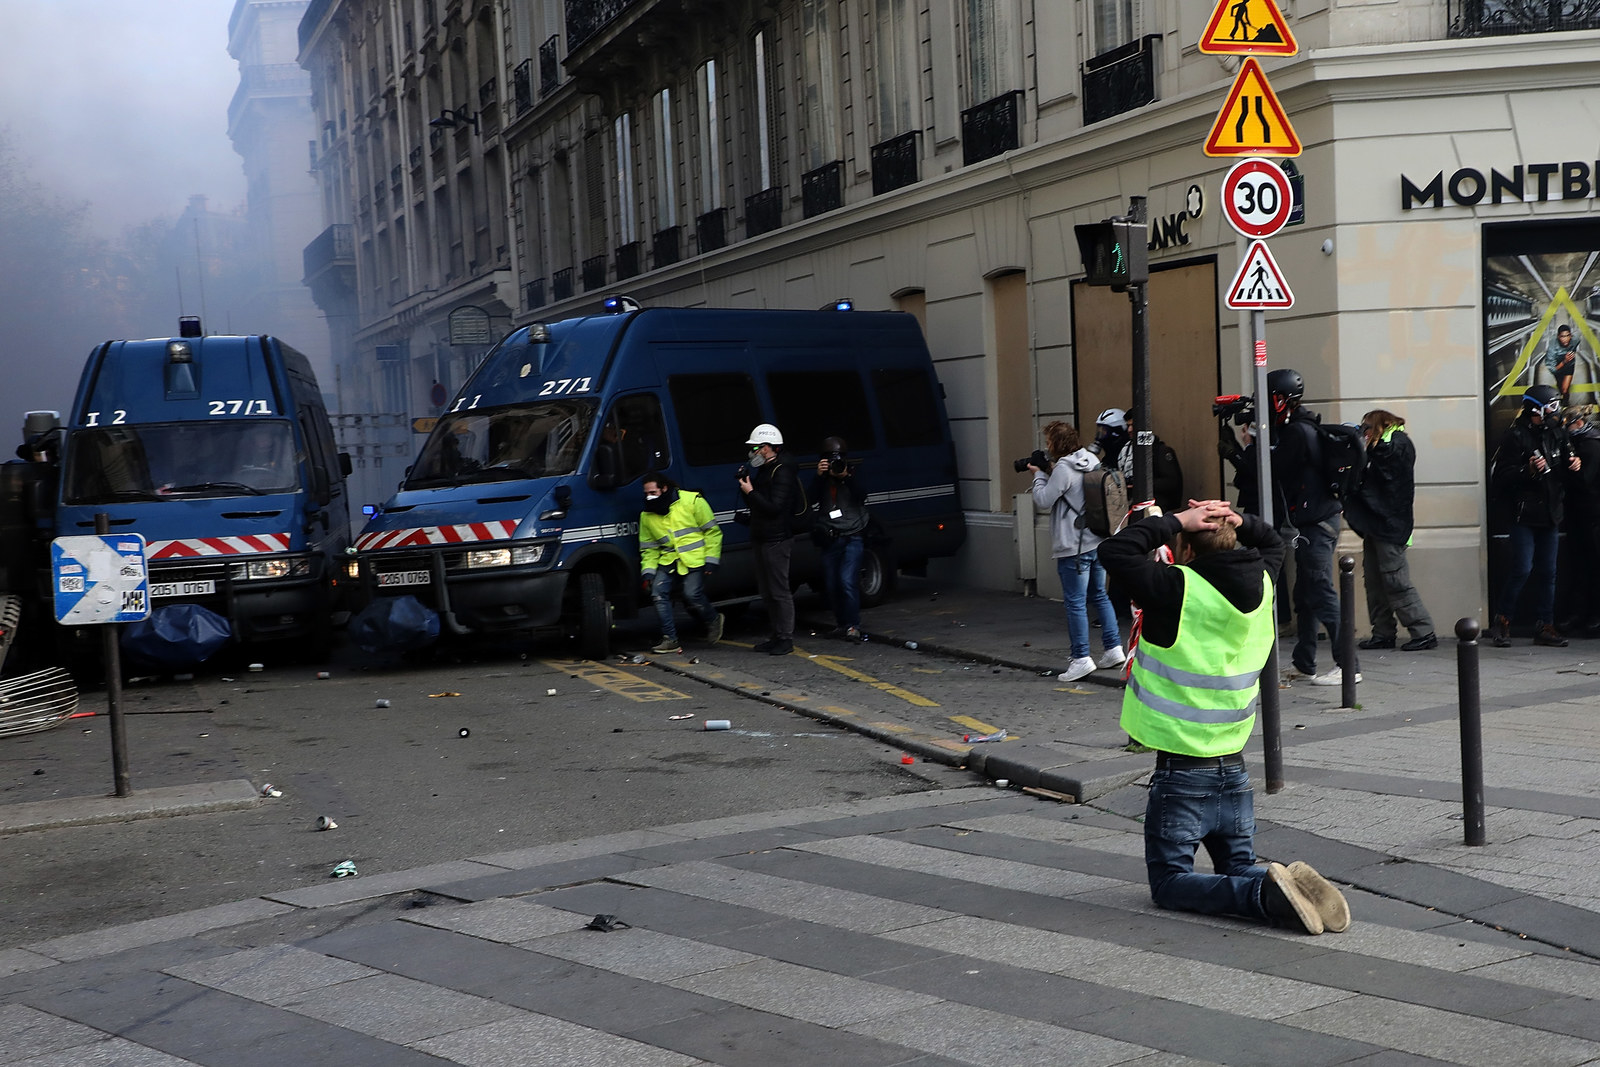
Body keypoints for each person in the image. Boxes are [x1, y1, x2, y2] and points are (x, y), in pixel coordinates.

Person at [1101, 497, 1351, 936]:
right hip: (1233, 766)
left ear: (1187, 549)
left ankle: (1264, 898)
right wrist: (1239, 519)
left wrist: (1176, 519)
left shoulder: (1175, 586)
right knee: (1236, 864)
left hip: (1182, 770)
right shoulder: (1263, 580)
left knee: (1169, 883)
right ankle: (1298, 891)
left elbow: (1114, 552)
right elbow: (1273, 541)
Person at [1265, 368, 1358, 687]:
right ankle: (1304, 662)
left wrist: (1253, 444)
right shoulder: (1303, 427)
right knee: (1304, 592)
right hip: (1318, 519)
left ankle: (1349, 666)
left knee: (1320, 590)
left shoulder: (1296, 433)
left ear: (1280, 400)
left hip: (1315, 523)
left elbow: (1272, 469)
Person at [1030, 420, 1123, 683]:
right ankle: (1114, 648)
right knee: (1100, 595)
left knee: (1075, 602)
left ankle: (1081, 658)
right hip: (1097, 539)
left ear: (1055, 444)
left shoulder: (1062, 468)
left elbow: (1043, 499)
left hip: (1073, 545)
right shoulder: (1090, 459)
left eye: (1049, 442)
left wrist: (1038, 473)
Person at [1488, 384, 1580, 647]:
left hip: (1550, 513)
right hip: (1524, 514)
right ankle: (1503, 620)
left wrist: (1574, 465)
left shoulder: (1558, 433)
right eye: (1551, 407)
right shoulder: (1515, 436)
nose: (1555, 412)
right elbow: (1501, 477)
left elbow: (1565, 468)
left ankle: (1545, 625)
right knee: (1522, 568)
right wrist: (1527, 470)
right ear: (1535, 409)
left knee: (1549, 571)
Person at [1344, 410, 1437, 652]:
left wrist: (1364, 449)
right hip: (1376, 524)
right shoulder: (1381, 446)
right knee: (1374, 582)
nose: (1364, 431)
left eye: (1367, 427)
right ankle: (1383, 632)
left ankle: (1423, 631)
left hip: (1391, 525)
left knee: (1396, 581)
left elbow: (1387, 472)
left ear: (1379, 426)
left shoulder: (1398, 444)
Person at [639, 475, 724, 654]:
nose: (649, 497)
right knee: (658, 594)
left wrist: (711, 560)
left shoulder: (692, 501)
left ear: (664, 489)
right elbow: (649, 549)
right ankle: (670, 639)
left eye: (653, 492)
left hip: (695, 558)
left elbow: (712, 532)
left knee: (692, 594)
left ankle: (713, 619)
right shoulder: (647, 515)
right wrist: (648, 573)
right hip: (669, 559)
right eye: (646, 493)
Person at [739, 422, 801, 655]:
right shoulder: (765, 469)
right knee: (766, 592)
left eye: (755, 448)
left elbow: (775, 507)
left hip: (776, 538)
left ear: (767, 447)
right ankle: (776, 635)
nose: (752, 452)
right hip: (761, 536)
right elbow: (757, 505)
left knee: (779, 591)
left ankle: (786, 638)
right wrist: (745, 486)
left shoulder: (783, 470)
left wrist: (751, 492)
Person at [811, 436, 870, 641]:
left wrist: (845, 476)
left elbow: (862, 496)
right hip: (831, 537)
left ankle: (853, 626)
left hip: (853, 535)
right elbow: (809, 500)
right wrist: (819, 476)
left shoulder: (852, 472)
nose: (834, 464)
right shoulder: (823, 478)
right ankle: (841, 624)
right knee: (832, 584)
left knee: (847, 581)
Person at [1093, 407, 1184, 513]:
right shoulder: (1125, 451)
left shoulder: (1160, 451)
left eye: (1133, 425)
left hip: (1156, 510)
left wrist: (1140, 485)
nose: (1129, 430)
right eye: (1128, 426)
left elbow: (1172, 482)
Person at [1559, 409, 1600, 636]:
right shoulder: (1579, 443)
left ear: (1579, 423)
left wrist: (1568, 470)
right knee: (1581, 567)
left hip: (1592, 517)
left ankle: (1592, 615)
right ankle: (1580, 613)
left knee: (1591, 567)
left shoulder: (1591, 445)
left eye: (1568, 424)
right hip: (1579, 516)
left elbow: (1585, 479)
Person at [1544, 324, 1581, 404]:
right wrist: (1564, 361)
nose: (1565, 339)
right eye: (1562, 336)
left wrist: (1568, 360)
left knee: (1565, 390)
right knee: (1560, 386)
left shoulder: (1575, 339)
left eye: (1567, 336)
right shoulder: (1552, 348)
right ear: (1558, 337)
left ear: (1571, 336)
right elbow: (1553, 369)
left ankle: (1566, 402)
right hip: (1558, 367)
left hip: (1569, 366)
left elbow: (1578, 339)